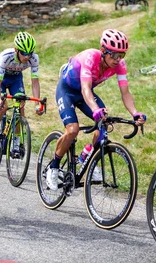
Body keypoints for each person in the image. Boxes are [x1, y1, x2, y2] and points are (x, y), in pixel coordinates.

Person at [46, 29, 146, 191]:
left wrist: (135, 113)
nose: (118, 59)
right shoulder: (90, 57)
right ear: (103, 51)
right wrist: (94, 109)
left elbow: (125, 92)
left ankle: (85, 156)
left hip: (85, 93)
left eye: (122, 55)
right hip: (67, 90)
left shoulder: (119, 65)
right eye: (113, 54)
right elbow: (85, 88)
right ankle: (54, 166)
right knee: (73, 130)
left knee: (104, 124)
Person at [0, 31, 44, 152]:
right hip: (0, 78)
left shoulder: (34, 58)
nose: (27, 57)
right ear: (16, 50)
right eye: (24, 53)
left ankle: (16, 144)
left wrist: (37, 103)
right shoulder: (6, 57)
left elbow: (35, 81)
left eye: (30, 53)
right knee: (3, 106)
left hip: (16, 78)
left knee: (20, 107)